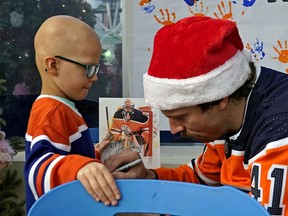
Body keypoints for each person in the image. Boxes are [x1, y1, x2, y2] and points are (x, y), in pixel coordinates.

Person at [105, 16, 288, 215]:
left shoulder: (279, 132)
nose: (174, 129)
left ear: (220, 98)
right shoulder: (226, 117)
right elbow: (203, 179)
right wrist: (149, 177)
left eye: (182, 117)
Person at [24, 15, 121, 213]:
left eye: (97, 68)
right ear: (53, 65)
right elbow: (37, 167)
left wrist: (93, 154)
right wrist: (81, 167)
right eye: (88, 68)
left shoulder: (64, 106)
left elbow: (65, 155)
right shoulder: (51, 111)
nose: (94, 77)